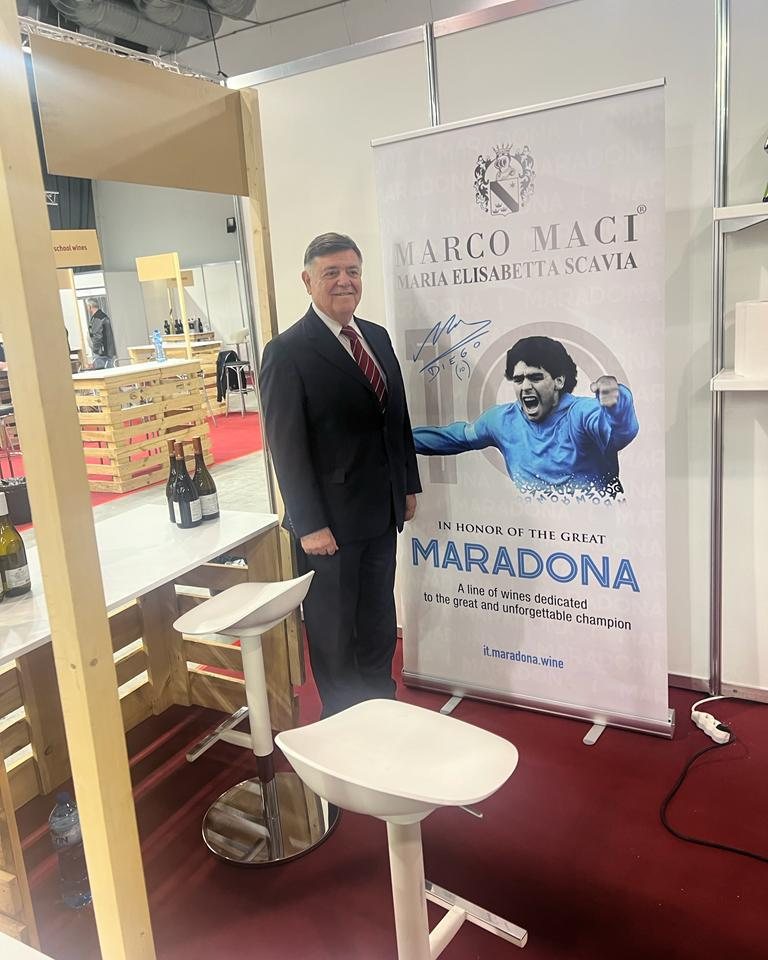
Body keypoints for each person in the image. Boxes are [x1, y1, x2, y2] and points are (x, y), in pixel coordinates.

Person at [259, 232, 421, 717]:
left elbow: (397, 419)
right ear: (307, 281)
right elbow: (286, 447)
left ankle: (380, 708)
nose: (344, 281)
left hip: (381, 513)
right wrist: (309, 524)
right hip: (328, 528)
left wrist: (407, 485)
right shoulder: (287, 351)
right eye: (331, 273)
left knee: (377, 620)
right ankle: (344, 722)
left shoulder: (376, 337)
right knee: (333, 630)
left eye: (352, 271)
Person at [413, 335, 639, 502]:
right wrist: (398, 440)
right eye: (518, 379)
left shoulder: (581, 413)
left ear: (559, 381)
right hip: (538, 540)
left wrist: (618, 401)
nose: (525, 387)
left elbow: (620, 433)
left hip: (598, 537)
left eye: (535, 377)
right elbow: (457, 437)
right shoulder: (502, 421)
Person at [85, 298, 116, 369]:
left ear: (90, 306)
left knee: (103, 373)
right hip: (105, 352)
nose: (87, 308)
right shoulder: (102, 316)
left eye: (87, 306)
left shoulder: (97, 317)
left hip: (101, 354)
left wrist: (95, 350)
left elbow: (97, 336)